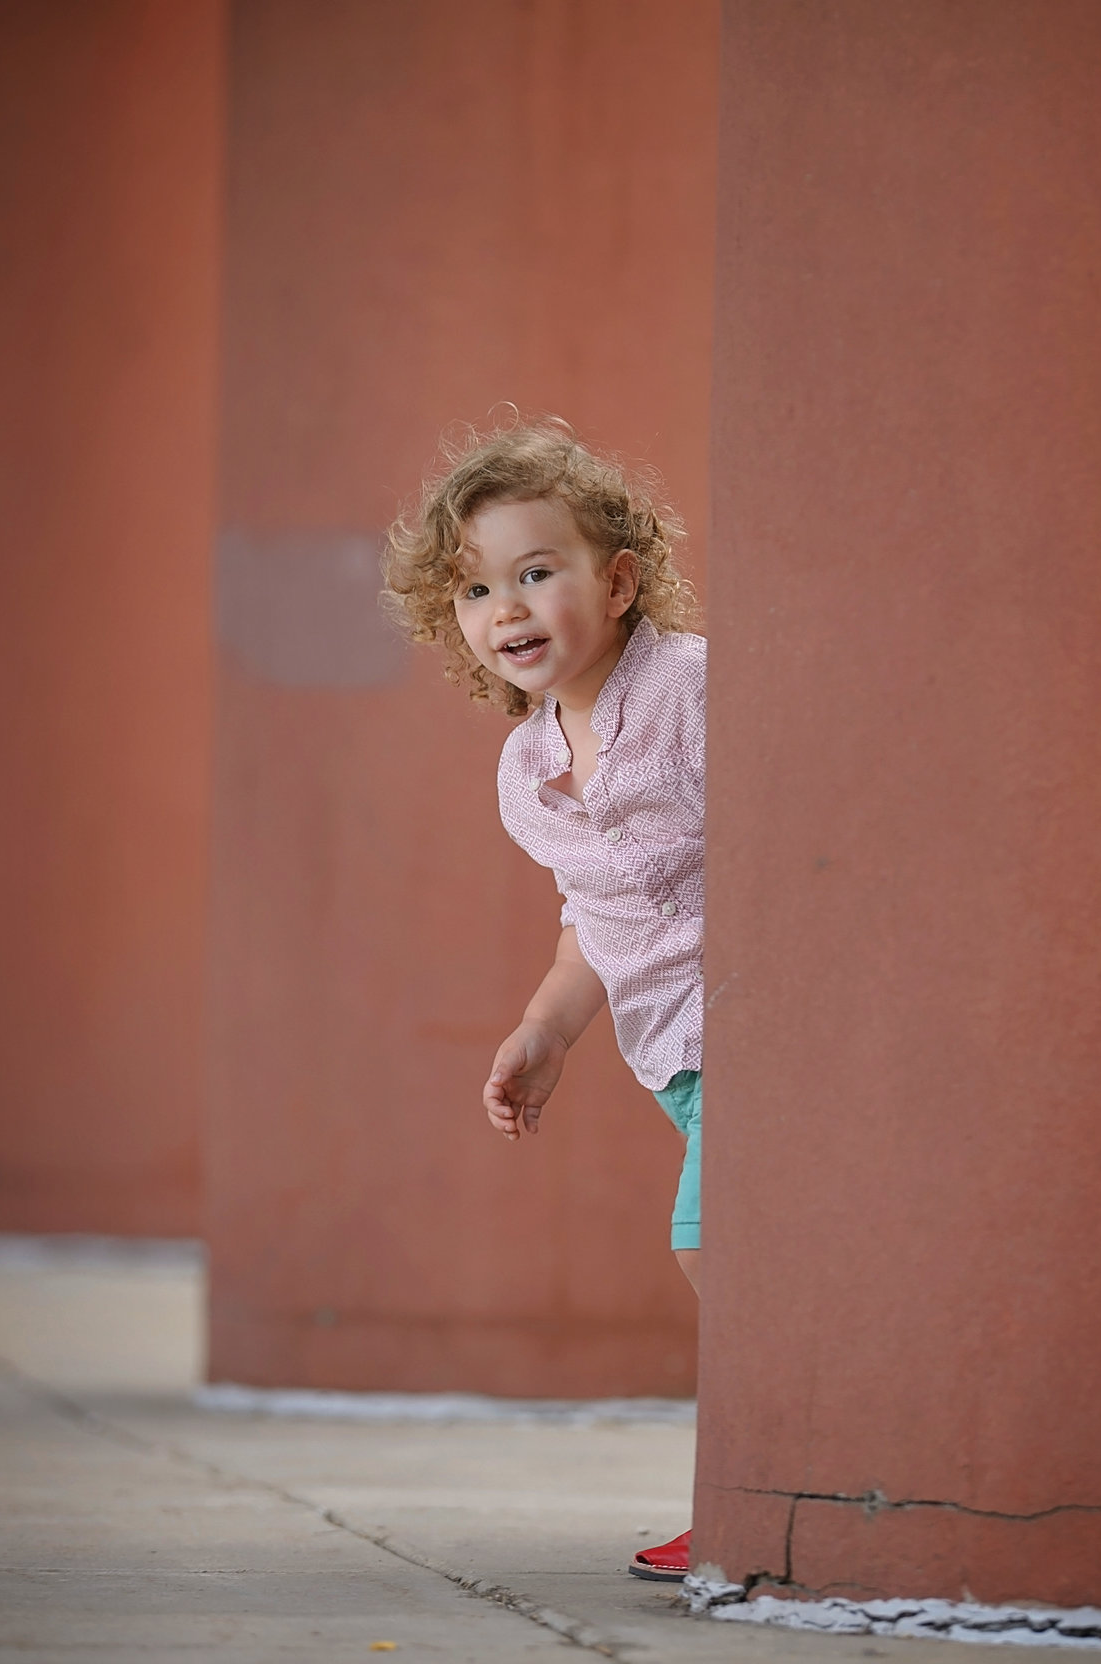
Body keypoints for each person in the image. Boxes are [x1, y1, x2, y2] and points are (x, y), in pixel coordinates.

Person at [383, 417, 705, 1583]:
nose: (504, 607)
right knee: (733, 1254)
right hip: (672, 1052)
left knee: (717, 1246)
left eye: (535, 571)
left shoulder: (692, 692)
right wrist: (547, 1029)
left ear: (617, 581)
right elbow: (594, 918)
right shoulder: (528, 769)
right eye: (474, 588)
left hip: (760, 1034)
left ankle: (764, 1484)